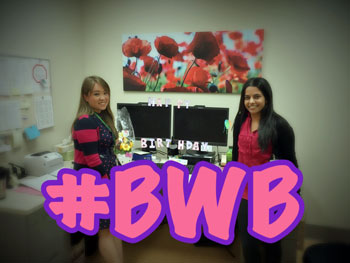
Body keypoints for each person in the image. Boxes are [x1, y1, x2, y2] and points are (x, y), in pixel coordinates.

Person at [232, 77, 299, 263]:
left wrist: (293, 196)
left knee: (271, 242)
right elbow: (236, 154)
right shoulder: (240, 121)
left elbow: (291, 164)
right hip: (244, 192)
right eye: (247, 97)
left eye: (256, 96)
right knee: (248, 244)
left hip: (271, 193)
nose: (251, 101)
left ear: (266, 98)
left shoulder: (280, 126)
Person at [71, 76, 123, 263]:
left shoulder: (100, 117)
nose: (103, 98)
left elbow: (103, 149)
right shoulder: (85, 121)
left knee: (112, 227)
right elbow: (92, 158)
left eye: (105, 93)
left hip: (106, 176)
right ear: (86, 96)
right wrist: (108, 179)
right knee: (105, 232)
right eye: (96, 94)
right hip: (95, 180)